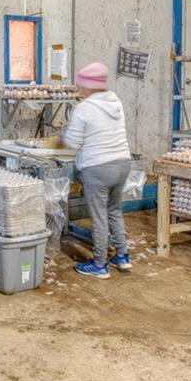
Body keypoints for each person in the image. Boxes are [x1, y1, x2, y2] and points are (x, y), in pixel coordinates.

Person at [60, 62, 132, 279]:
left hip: (98, 168)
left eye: (81, 86)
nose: (78, 90)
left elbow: (73, 142)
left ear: (90, 86)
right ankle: (122, 255)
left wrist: (61, 134)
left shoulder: (84, 108)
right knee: (114, 210)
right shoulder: (115, 101)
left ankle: (100, 264)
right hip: (122, 163)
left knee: (99, 216)